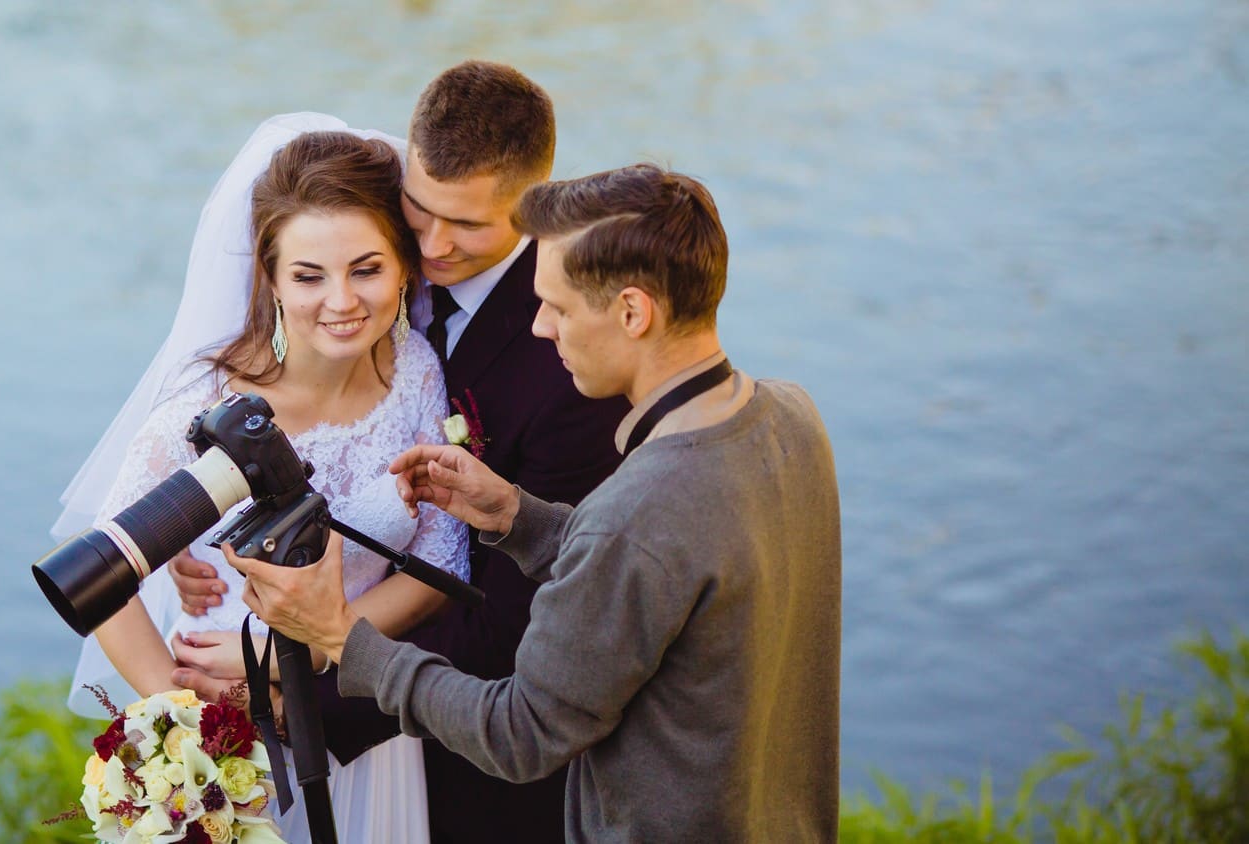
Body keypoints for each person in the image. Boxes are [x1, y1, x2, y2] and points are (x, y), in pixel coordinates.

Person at [226, 164, 844, 842]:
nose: (542, 328)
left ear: (633, 312)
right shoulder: (791, 415)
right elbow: (663, 567)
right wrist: (517, 516)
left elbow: (519, 735)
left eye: (558, 306)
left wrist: (342, 637)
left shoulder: (635, 513)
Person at [167, 61, 630, 843]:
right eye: (419, 210)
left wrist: (299, 678)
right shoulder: (372, 265)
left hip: (459, 754)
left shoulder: (571, 370)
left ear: (535, 207)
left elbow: (516, 624)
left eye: (470, 226)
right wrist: (192, 535)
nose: (435, 245)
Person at [55, 124, 469, 843]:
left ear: (405, 268)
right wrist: (182, 710)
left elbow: (438, 566)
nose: (340, 301)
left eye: (366, 269)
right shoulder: (206, 404)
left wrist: (298, 653)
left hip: (363, 724)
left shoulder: (419, 377)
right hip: (228, 733)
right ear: (271, 279)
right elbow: (100, 572)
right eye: (308, 276)